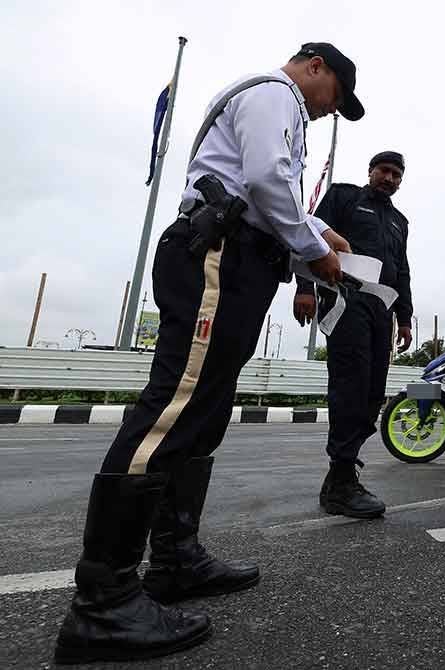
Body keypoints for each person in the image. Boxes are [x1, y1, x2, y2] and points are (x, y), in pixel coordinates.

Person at [53, 42, 365, 664]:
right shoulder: (276, 94)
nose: (331, 112)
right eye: (335, 99)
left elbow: (265, 185)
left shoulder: (280, 107)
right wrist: (315, 250)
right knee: (175, 406)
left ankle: (174, 559)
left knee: (203, 413)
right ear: (315, 68)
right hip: (217, 253)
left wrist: (312, 226)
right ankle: (103, 600)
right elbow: (264, 180)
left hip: (241, 260)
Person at [293, 151, 413, 519]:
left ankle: (339, 476)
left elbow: (402, 270)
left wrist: (405, 318)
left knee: (373, 393)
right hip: (345, 300)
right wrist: (304, 288)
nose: (389, 178)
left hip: (382, 309)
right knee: (351, 384)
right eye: (384, 171)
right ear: (371, 171)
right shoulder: (344, 196)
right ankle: (342, 480)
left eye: (397, 174)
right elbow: (310, 235)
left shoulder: (399, 221)